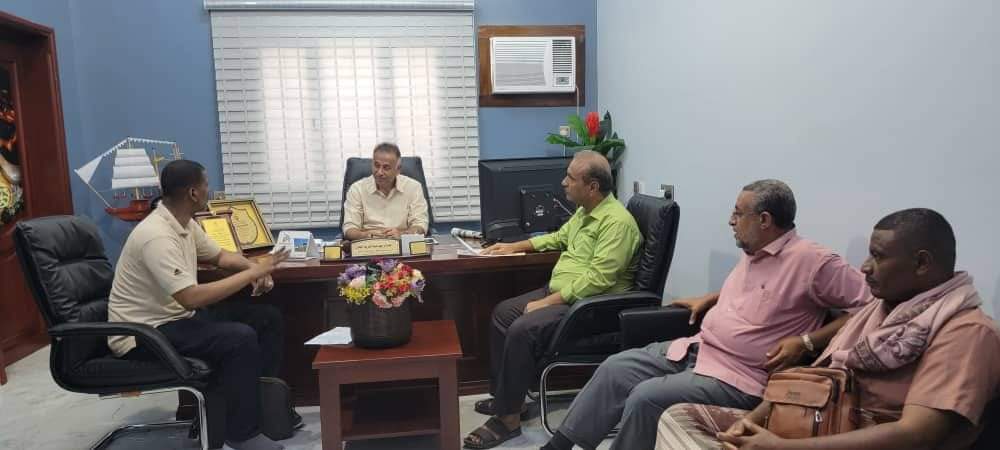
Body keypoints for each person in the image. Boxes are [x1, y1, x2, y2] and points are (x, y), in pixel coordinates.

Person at [540, 179, 872, 450]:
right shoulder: (754, 250)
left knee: (646, 397)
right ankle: (558, 446)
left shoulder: (814, 262)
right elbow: (761, 295)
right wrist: (713, 297)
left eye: (738, 213)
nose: (731, 220)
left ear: (765, 220)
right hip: (699, 349)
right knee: (616, 368)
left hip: (740, 377)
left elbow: (869, 305)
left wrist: (807, 341)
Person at [657, 208, 1000, 450]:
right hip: (814, 422)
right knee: (679, 418)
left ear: (922, 263)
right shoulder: (878, 312)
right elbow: (816, 378)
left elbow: (917, 435)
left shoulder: (966, 332)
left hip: (846, 439)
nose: (865, 267)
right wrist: (755, 420)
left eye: (878, 257)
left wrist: (782, 448)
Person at [463, 150, 644, 449]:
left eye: (570, 178)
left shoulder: (617, 224)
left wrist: (547, 303)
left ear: (592, 187)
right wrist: (515, 246)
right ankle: (508, 399)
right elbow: (559, 237)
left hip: (590, 308)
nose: (563, 182)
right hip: (564, 294)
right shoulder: (586, 212)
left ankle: (507, 421)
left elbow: (598, 280)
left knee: (522, 328)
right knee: (502, 313)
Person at [108, 159, 292, 450]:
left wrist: (255, 269)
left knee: (266, 318)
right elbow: (191, 297)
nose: (209, 189)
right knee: (239, 338)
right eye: (206, 185)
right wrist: (252, 273)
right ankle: (241, 433)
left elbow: (221, 256)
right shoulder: (155, 235)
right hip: (143, 333)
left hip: (176, 318)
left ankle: (263, 410)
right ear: (193, 193)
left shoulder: (183, 223)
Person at [342, 142, 429, 240]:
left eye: (386, 167)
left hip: (402, 243)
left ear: (398, 170)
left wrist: (402, 235)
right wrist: (366, 235)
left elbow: (420, 225)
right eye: (376, 165)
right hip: (368, 244)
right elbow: (349, 229)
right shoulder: (357, 189)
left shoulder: (413, 187)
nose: (379, 172)